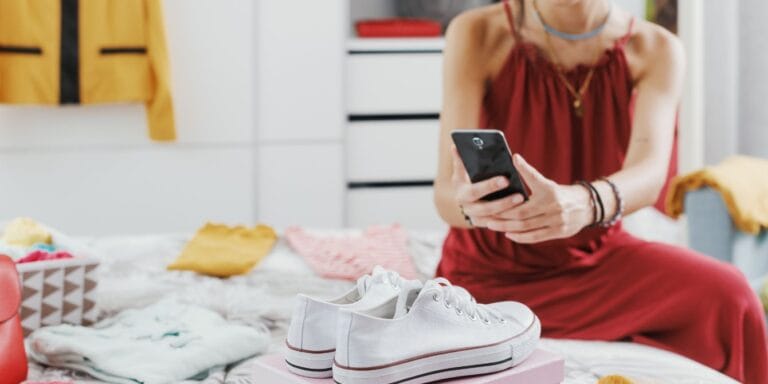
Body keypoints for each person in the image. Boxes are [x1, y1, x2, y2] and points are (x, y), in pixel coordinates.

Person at [433, 0, 768, 382]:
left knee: (733, 296)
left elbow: (649, 173)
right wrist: (475, 209)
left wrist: (584, 203)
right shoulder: (477, 32)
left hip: (598, 262)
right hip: (490, 277)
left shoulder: (655, 48)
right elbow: (445, 194)